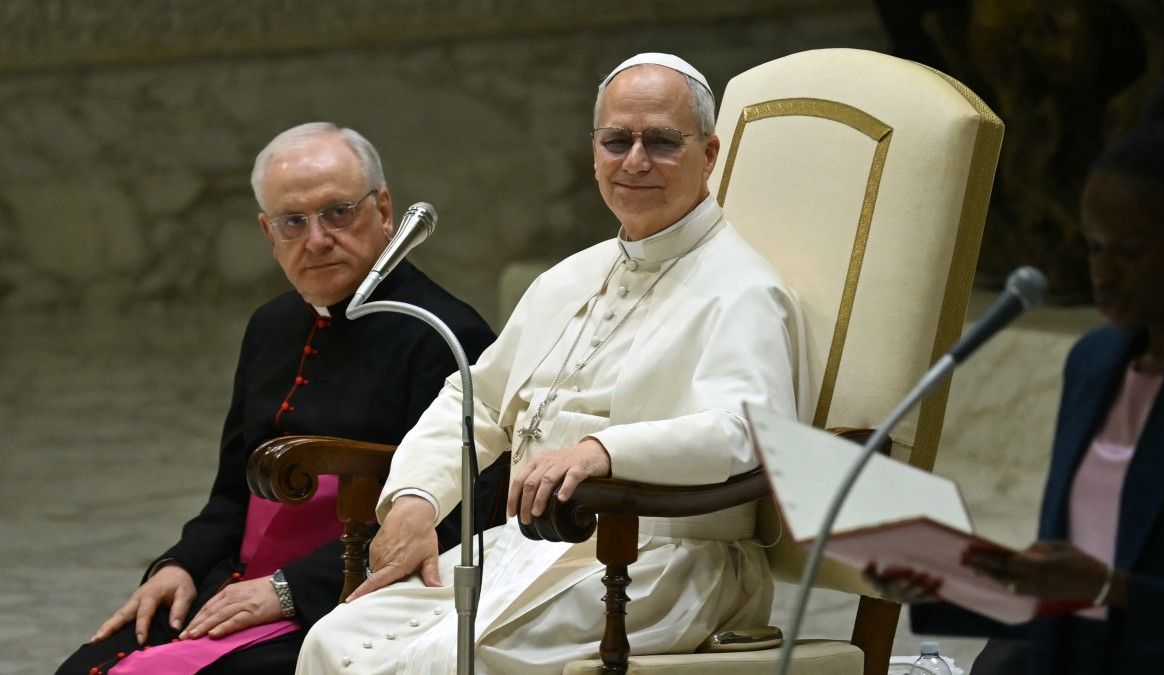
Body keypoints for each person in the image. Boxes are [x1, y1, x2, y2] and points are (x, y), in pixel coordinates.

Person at [296, 53, 810, 674]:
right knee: (332, 640)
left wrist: (601, 451)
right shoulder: (569, 279)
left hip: (663, 564)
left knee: (445, 660)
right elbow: (478, 399)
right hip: (532, 549)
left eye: (662, 142)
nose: (635, 161)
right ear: (594, 153)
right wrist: (417, 497)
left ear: (709, 154)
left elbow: (747, 430)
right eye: (617, 141)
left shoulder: (745, 290)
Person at [57, 123, 500, 675]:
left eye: (338, 212)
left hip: (351, 599)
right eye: (293, 222)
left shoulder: (443, 333)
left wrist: (289, 589)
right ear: (269, 234)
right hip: (235, 581)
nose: (317, 239)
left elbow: (464, 519)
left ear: (384, 210)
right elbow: (231, 493)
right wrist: (180, 565)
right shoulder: (271, 325)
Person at [870, 83, 1164, 674]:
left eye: (1129, 252)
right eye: (1093, 248)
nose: (1102, 274)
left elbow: (1102, 591)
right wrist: (945, 584)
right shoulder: (1095, 364)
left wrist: (1110, 589)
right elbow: (1064, 595)